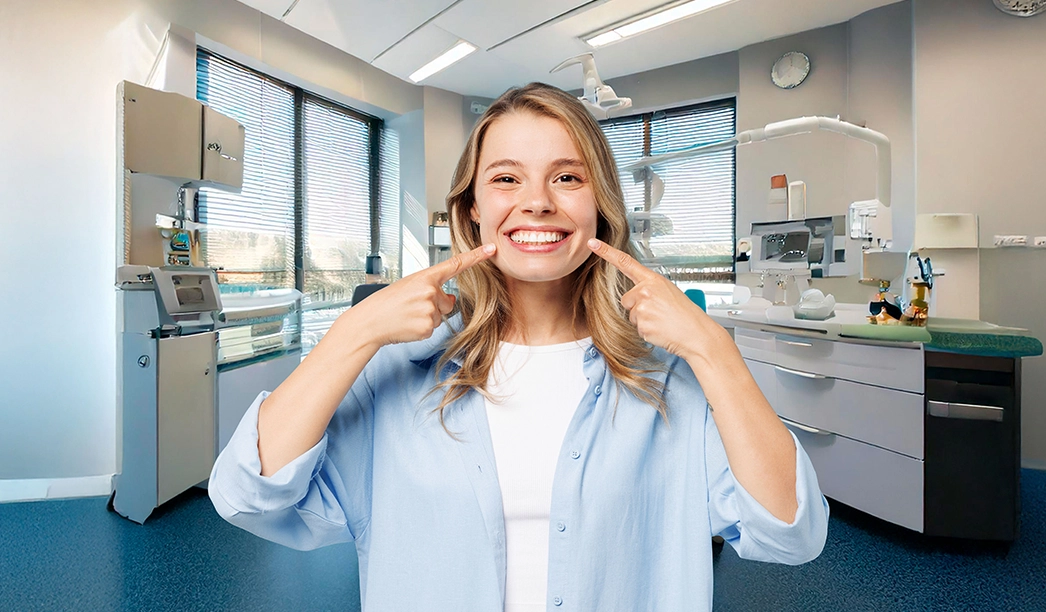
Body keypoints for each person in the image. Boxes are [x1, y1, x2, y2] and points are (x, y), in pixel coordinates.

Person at [209, 82, 828, 611]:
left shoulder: (669, 378)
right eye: (506, 178)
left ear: (600, 206)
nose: (537, 201)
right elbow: (246, 495)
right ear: (472, 208)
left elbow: (790, 533)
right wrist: (354, 331)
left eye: (567, 177)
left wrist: (715, 352)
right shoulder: (401, 371)